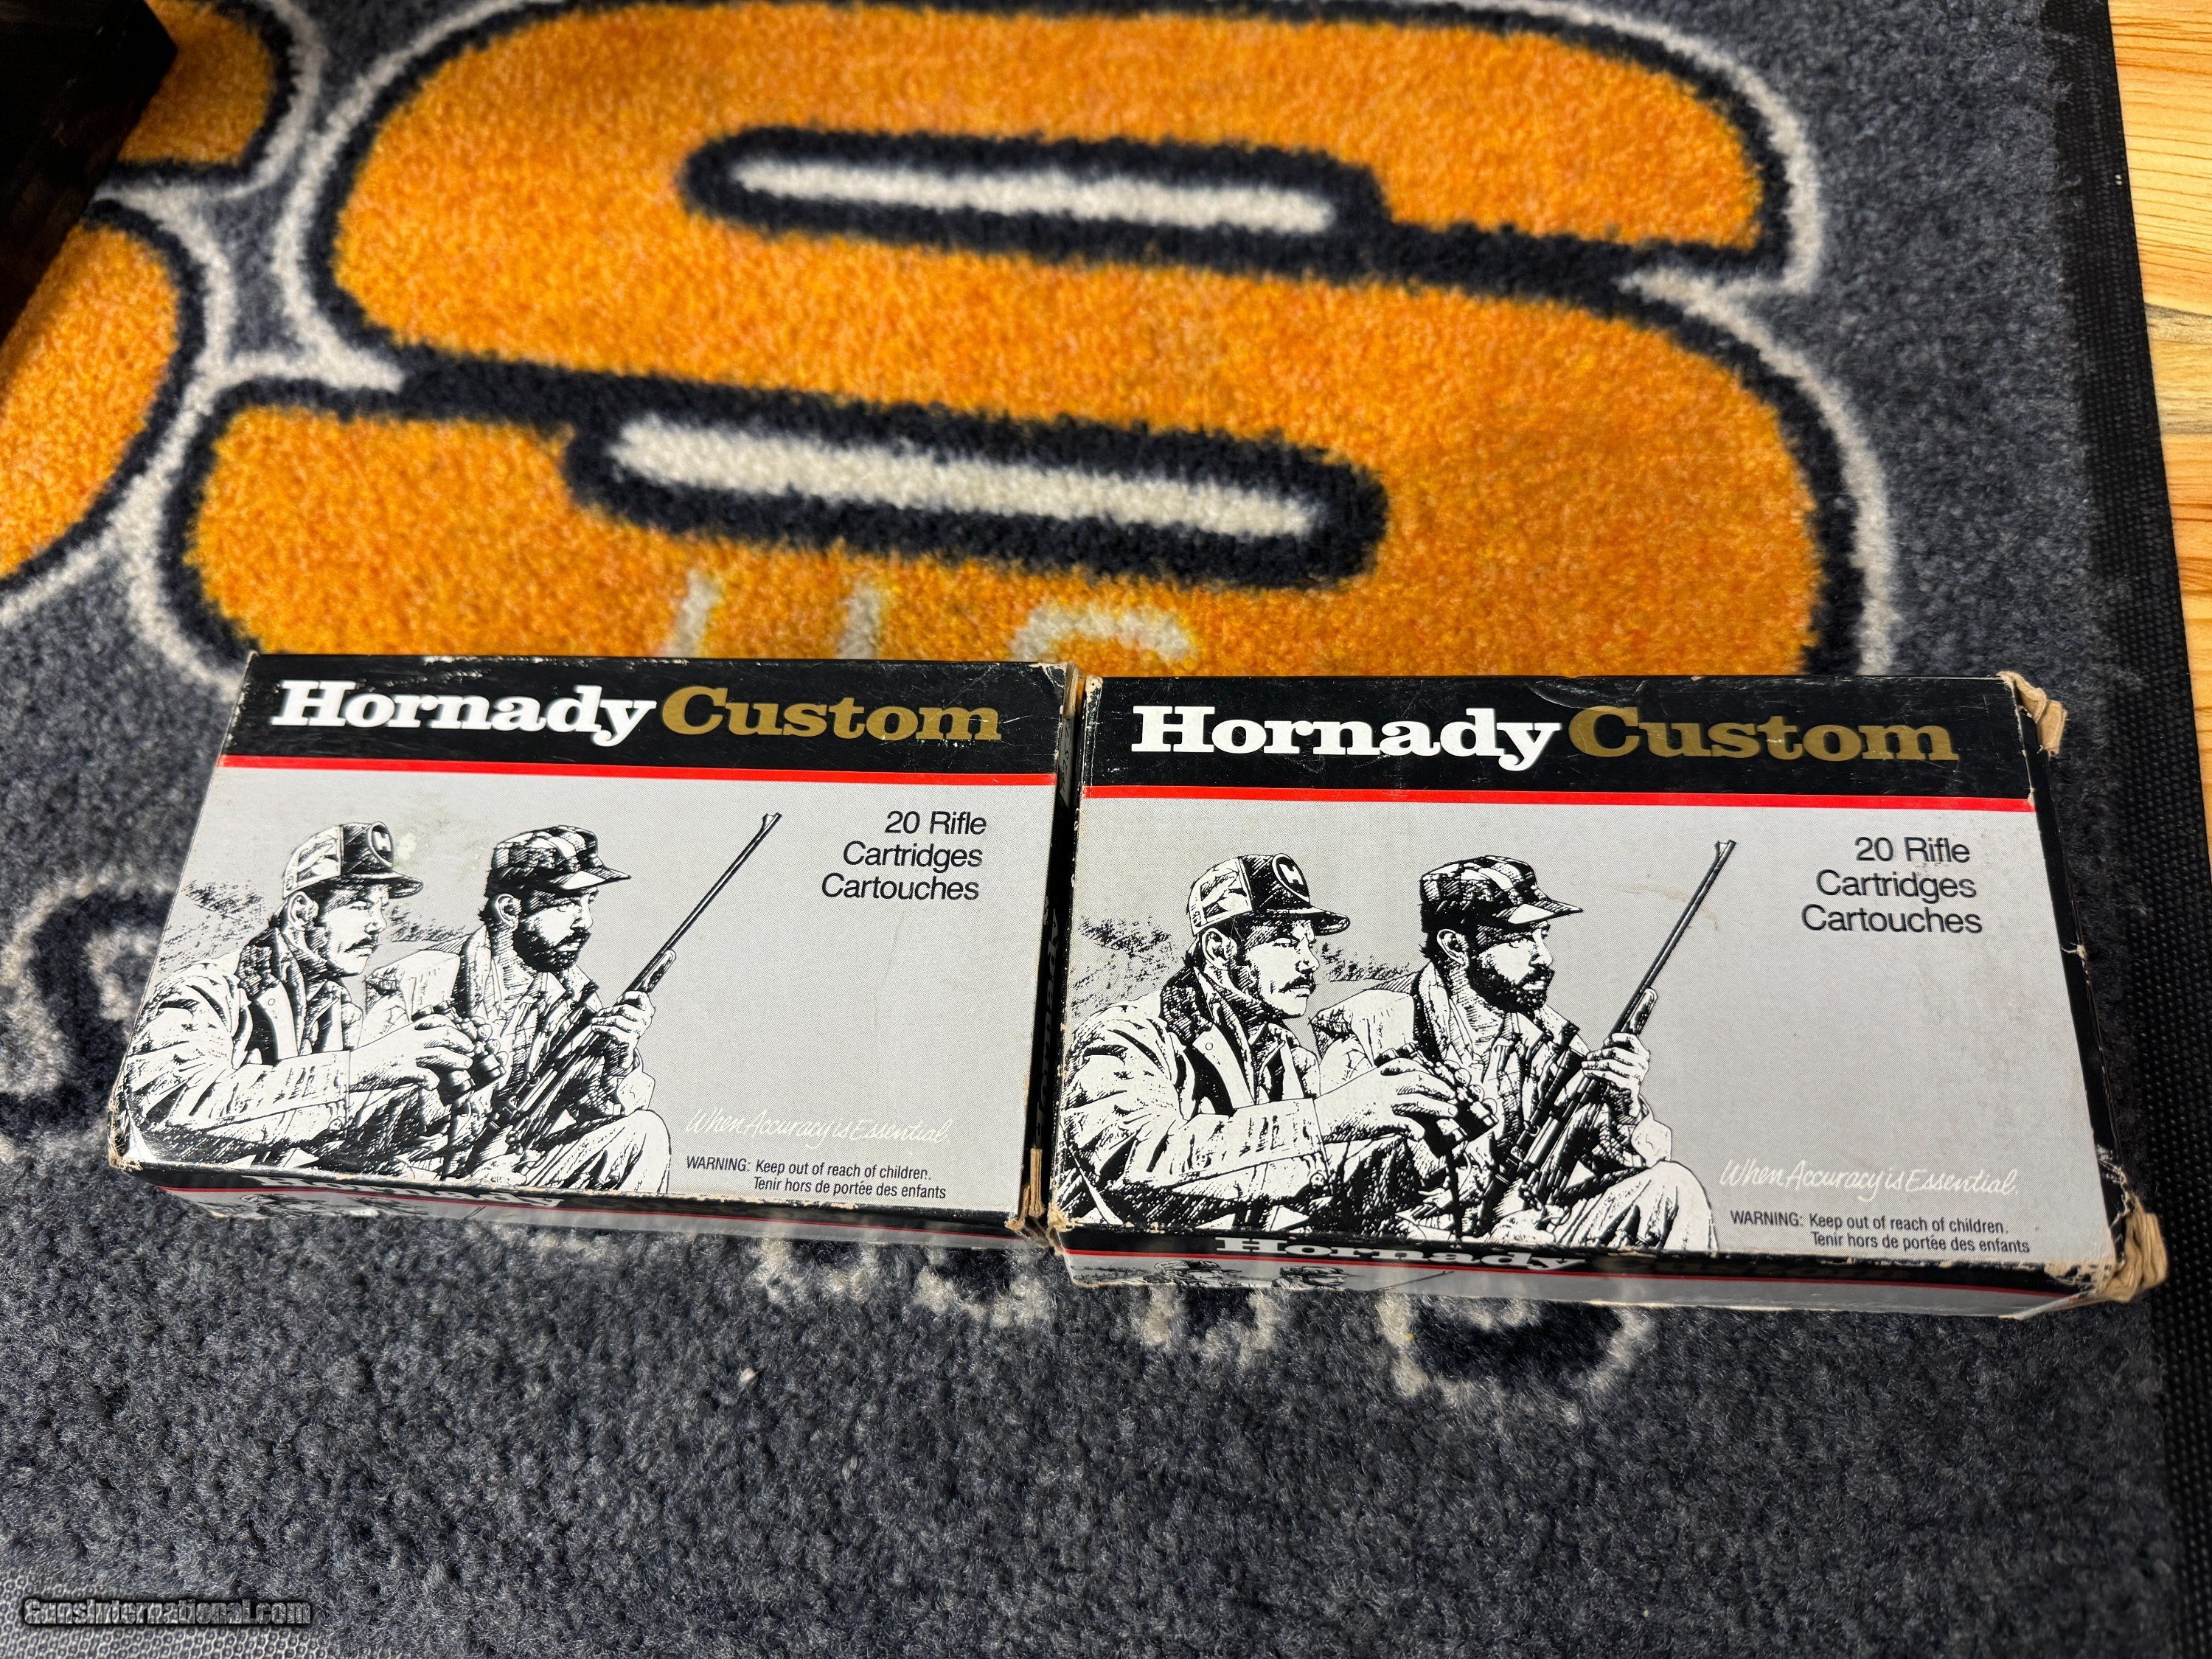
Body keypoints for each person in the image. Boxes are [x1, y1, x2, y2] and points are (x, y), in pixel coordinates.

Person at [1312, 855, 1714, 1251]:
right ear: (1455, 945)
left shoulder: (1551, 1039)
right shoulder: (1370, 1027)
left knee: (1673, 1188)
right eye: (1519, 938)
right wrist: (1486, 1245)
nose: (1544, 957)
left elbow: (1627, 1162)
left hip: (1526, 1233)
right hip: (1415, 1253)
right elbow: (1334, 1199)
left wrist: (1623, 1104)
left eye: (1542, 935)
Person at [1054, 853, 1456, 1233]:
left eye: (1309, 943)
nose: (1310, 962)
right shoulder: (1123, 1035)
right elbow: (1133, 1170)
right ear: (1218, 949)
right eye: (1285, 941)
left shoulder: (1288, 1057)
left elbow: (1316, 1182)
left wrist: (1424, 1151)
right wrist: (1330, 1115)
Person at [114, 822, 473, 1171]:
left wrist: (430, 1099)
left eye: (382, 908)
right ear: (302, 912)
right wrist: (361, 1067)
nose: (379, 924)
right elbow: (170, 1113)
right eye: (360, 905)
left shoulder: (337, 1011)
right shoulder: (205, 990)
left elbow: (334, 1143)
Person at [364, 826, 669, 1194]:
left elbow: (601, 1111)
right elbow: (356, 1131)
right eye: (566, 903)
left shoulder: (575, 997)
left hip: (511, 1173)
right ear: (510, 909)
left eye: (589, 902)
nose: (585, 922)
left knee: (642, 1133)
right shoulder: (419, 981)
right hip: (409, 1182)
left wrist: (618, 1059)